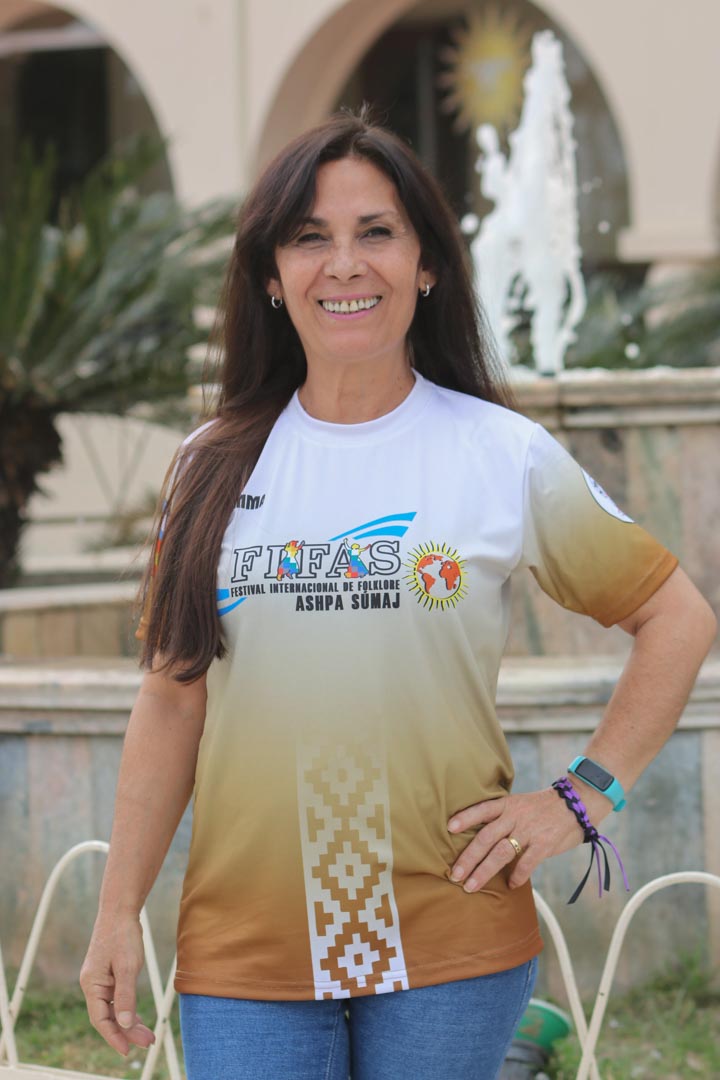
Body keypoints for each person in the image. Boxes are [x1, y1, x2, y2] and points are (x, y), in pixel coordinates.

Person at [80, 110, 716, 1080]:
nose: (345, 264)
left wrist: (583, 796)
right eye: (309, 238)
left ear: (426, 266)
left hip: (451, 943)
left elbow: (677, 617)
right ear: (270, 275)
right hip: (248, 949)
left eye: (376, 232)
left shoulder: (499, 453)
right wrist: (117, 909)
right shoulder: (209, 466)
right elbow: (172, 697)